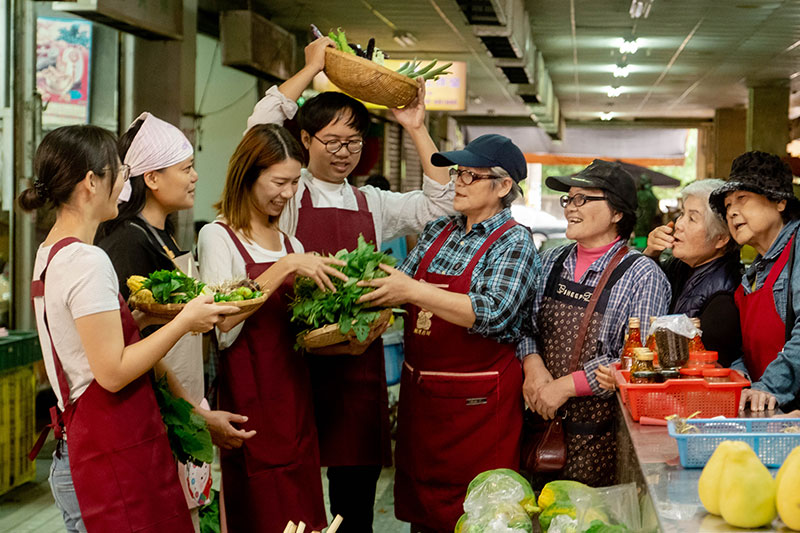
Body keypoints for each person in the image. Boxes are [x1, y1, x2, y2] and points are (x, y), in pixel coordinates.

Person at [246, 36, 455, 531]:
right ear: (305, 140)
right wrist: (311, 68)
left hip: (358, 369)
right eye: (333, 142)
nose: (345, 153)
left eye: (354, 142)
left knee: (354, 505)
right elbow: (259, 127)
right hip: (295, 360)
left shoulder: (373, 203)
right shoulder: (290, 194)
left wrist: (418, 127)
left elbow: (440, 203)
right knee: (294, 495)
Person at [20, 125, 236, 532]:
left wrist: (139, 320)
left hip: (86, 448)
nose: (125, 182)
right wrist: (186, 320)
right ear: (91, 183)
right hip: (106, 453)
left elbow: (81, 350)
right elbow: (112, 371)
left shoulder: (51, 251)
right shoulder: (87, 260)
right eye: (119, 172)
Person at [358, 134, 540, 532]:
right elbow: (399, 285)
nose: (457, 181)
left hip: (476, 411)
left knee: (478, 516)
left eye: (471, 175)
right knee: (423, 517)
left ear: (503, 185)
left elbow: (495, 312)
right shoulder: (439, 229)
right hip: (423, 407)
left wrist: (415, 291)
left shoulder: (514, 241)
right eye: (457, 172)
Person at [95, 112, 254, 530]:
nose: (195, 177)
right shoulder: (129, 240)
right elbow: (134, 348)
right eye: (185, 169)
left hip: (183, 404)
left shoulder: (161, 236)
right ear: (151, 178)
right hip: (160, 414)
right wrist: (194, 414)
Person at [198, 123, 349, 533]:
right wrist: (283, 268)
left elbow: (300, 332)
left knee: (305, 519)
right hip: (249, 405)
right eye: (278, 182)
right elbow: (222, 327)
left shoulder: (291, 244)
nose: (287, 193)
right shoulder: (218, 237)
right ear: (248, 175)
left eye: (295, 182)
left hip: (296, 406)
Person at [519, 159, 670, 488]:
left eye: (583, 199)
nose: (570, 208)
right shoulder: (549, 261)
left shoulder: (642, 275)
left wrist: (564, 387)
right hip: (539, 427)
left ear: (617, 213)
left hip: (599, 439)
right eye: (568, 199)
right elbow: (525, 325)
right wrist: (532, 365)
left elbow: (636, 360)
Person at [709, 151, 800, 411]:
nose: (732, 212)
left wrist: (770, 386)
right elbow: (743, 348)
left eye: (742, 199)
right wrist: (742, 381)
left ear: (780, 201)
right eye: (727, 206)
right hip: (767, 410)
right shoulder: (754, 271)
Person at [643, 179, 743, 366]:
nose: (678, 224)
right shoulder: (682, 265)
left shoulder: (724, 299)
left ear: (721, 239)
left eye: (692, 218)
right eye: (682, 214)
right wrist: (651, 255)